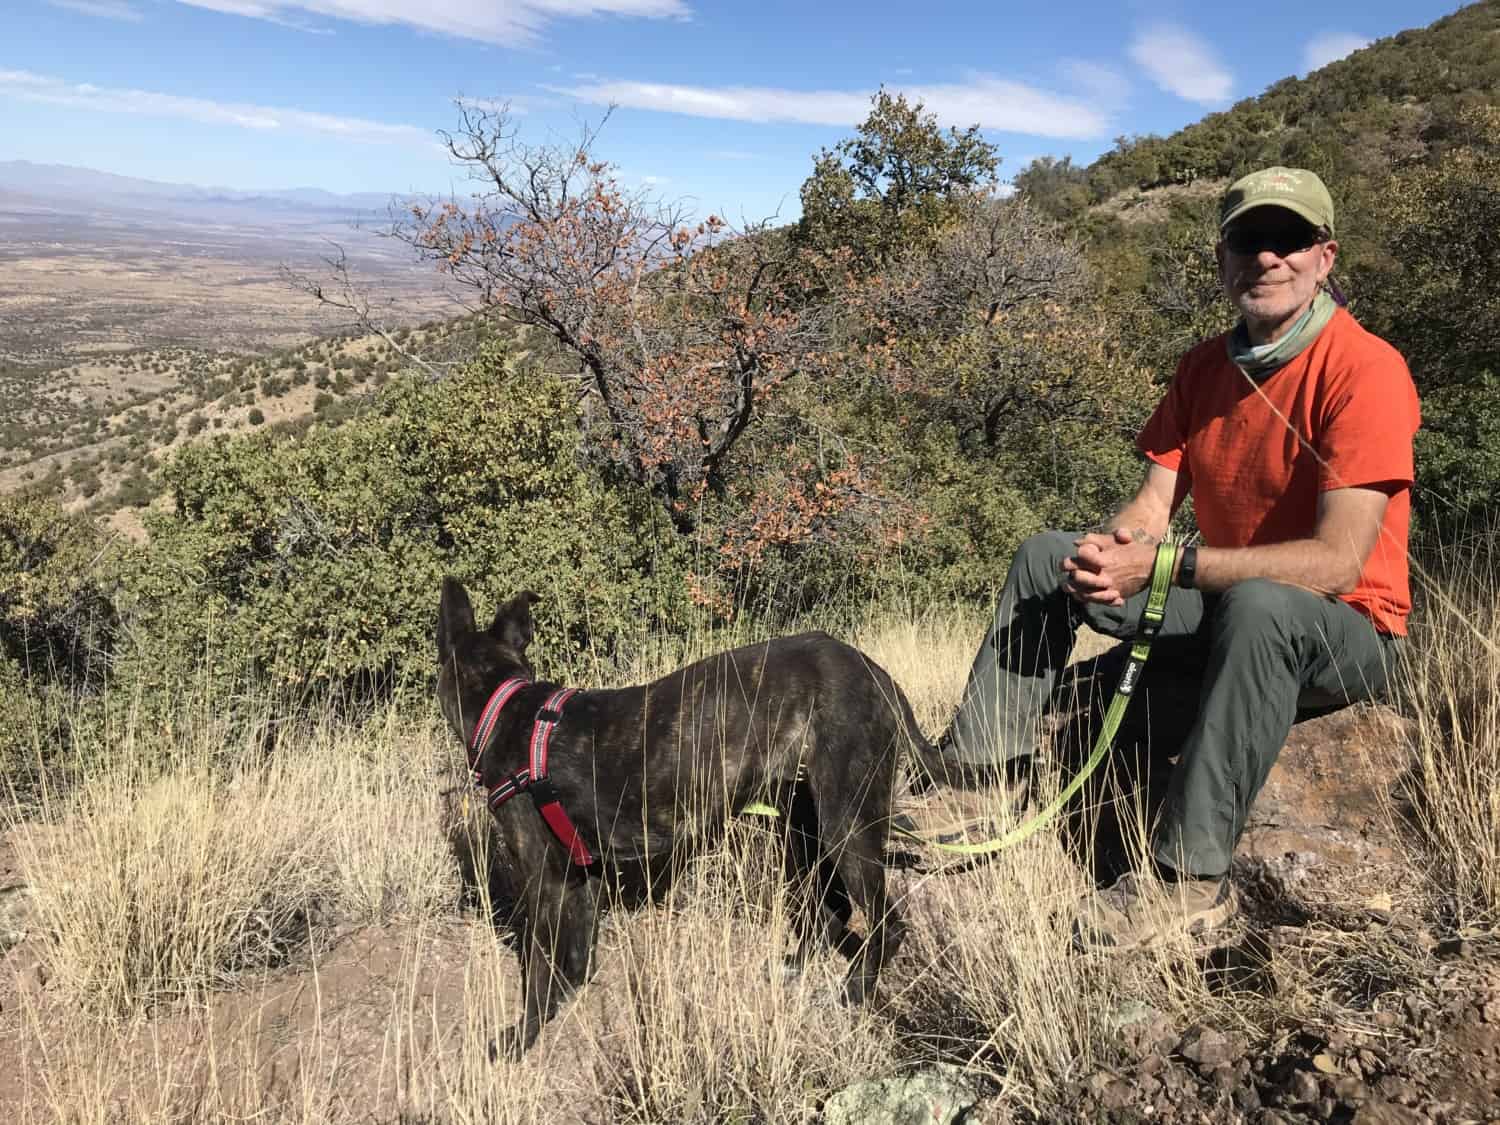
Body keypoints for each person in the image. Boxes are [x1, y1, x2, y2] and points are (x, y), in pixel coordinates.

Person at [915, 166, 1421, 951]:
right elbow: (1152, 506)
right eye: (1249, 241)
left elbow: (1337, 565)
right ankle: (983, 776)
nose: (1267, 259)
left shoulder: (1366, 369)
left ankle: (1189, 878)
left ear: (1325, 257)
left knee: (1263, 603)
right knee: (1047, 555)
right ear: (1223, 259)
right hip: (1222, 603)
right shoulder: (1202, 369)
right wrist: (1111, 552)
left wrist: (1167, 567)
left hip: (1342, 633)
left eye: (1287, 241)